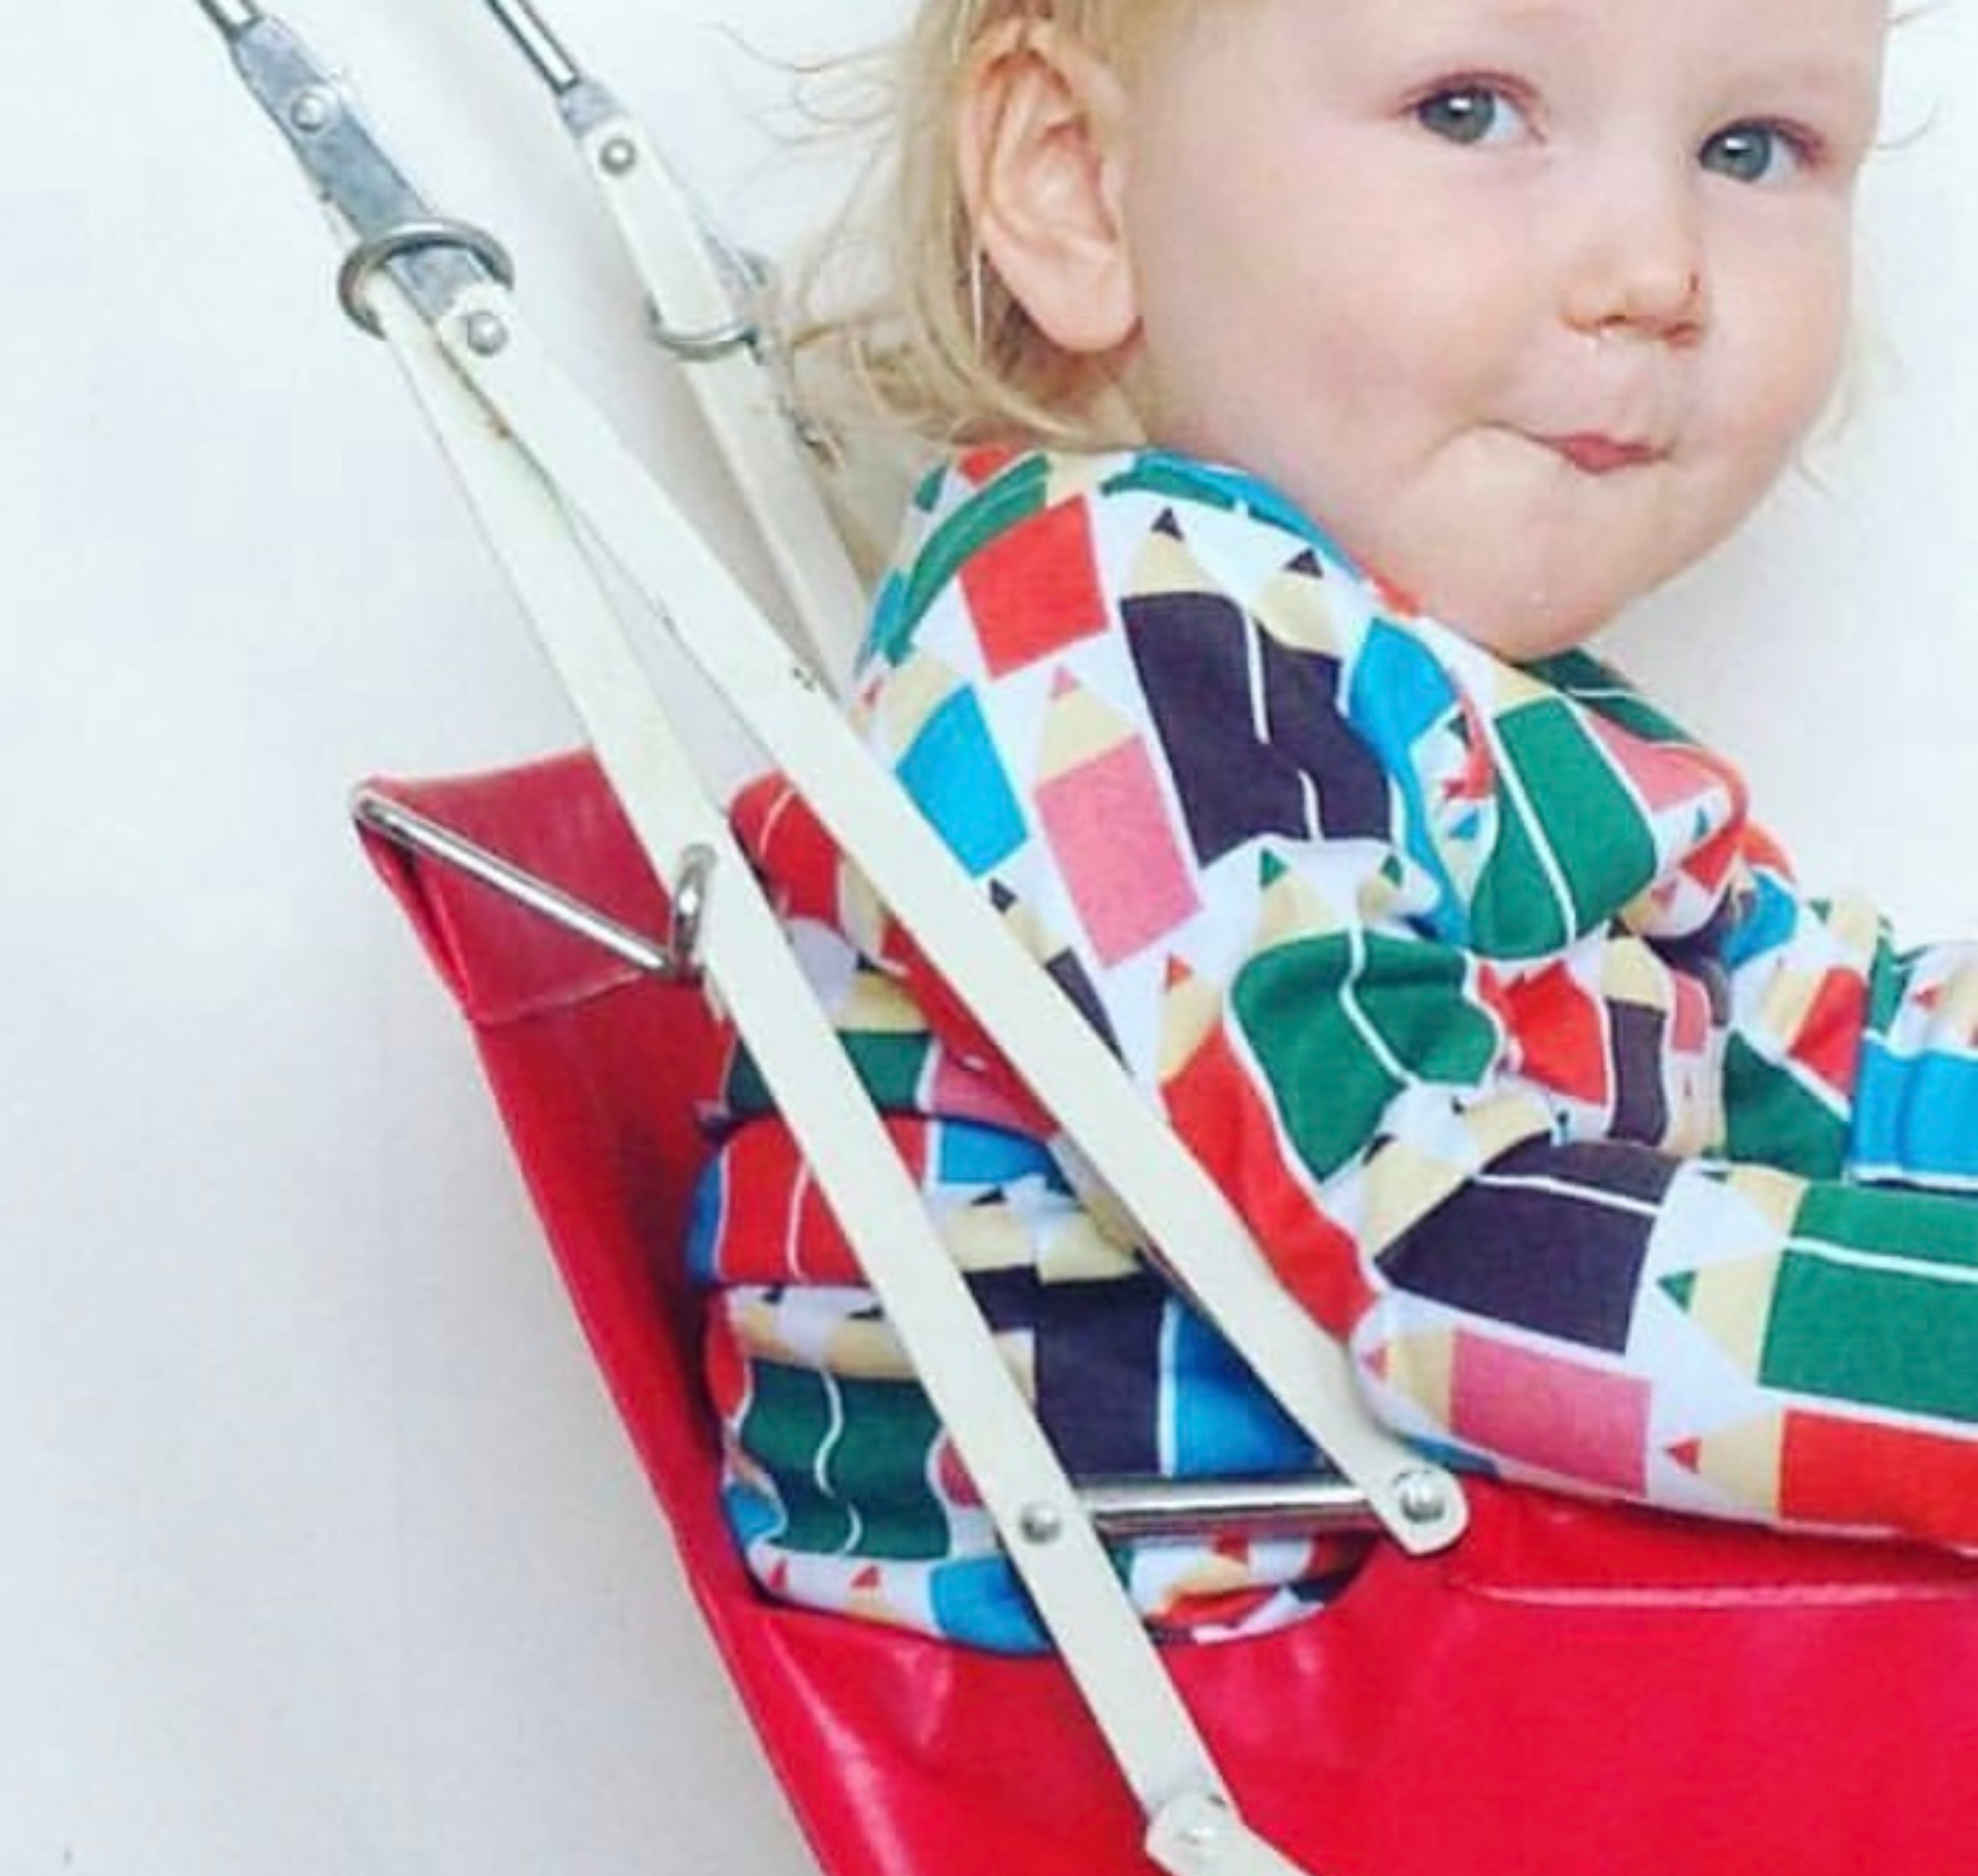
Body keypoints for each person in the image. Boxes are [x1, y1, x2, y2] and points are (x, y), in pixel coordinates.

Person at [689, 0, 1978, 1650]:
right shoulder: (1096, 641)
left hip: (1453, 1620)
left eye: (1748, 148)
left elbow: (1814, 1043)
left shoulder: (1414, 661)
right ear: (1074, 177)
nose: (1655, 270)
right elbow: (1432, 1240)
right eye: (1467, 109)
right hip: (1217, 1682)